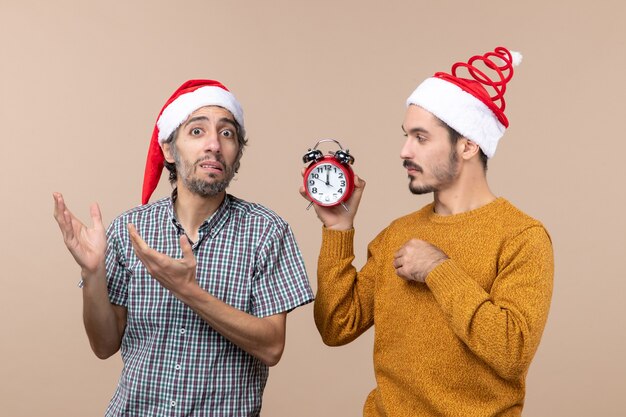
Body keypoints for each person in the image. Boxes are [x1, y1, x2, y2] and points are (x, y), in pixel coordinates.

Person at [303, 47, 554, 416]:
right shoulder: (396, 234)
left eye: (421, 138)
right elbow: (336, 326)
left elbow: (511, 351)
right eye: (406, 136)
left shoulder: (522, 237)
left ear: (468, 144)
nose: (404, 150)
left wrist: (439, 269)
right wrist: (339, 229)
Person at [53, 79, 314, 417]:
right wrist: (92, 273)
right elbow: (104, 345)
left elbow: (271, 346)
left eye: (227, 133)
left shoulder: (267, 232)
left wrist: (188, 290)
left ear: (237, 154)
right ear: (168, 150)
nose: (214, 146)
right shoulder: (130, 230)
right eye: (196, 132)